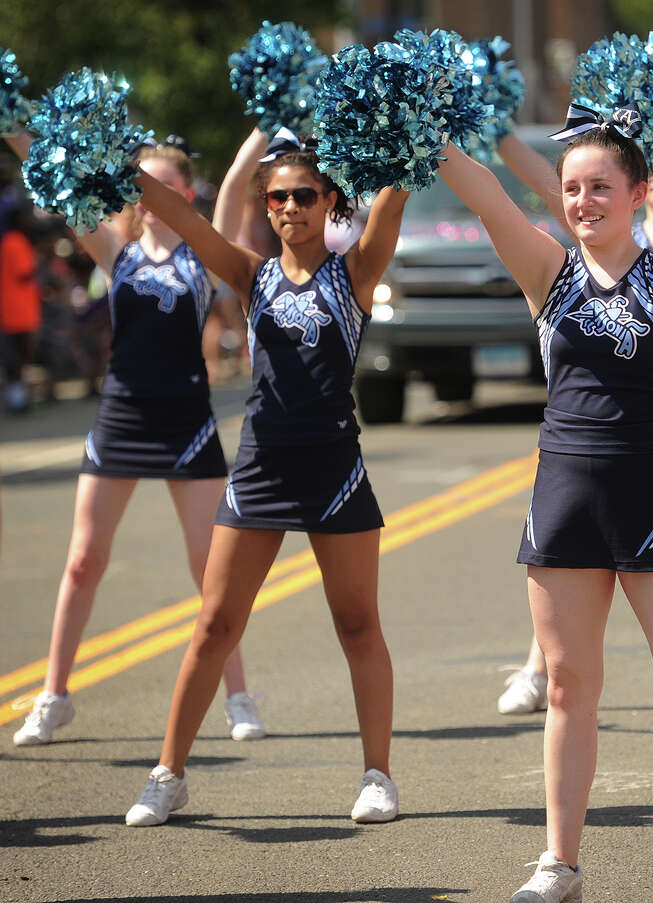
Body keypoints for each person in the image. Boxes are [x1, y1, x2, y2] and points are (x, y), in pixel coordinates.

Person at [437, 106, 653, 903]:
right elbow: (492, 198)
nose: (584, 200)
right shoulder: (548, 274)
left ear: (638, 194)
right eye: (571, 187)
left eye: (601, 186)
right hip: (564, 497)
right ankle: (559, 863)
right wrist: (426, 133)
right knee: (567, 685)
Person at [121, 130, 410, 827]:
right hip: (261, 467)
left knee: (356, 621)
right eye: (276, 196)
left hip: (336, 469)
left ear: (330, 200)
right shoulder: (254, 275)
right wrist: (123, 170)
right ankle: (169, 772)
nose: (288, 207)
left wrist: (414, 131)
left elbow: (394, 200)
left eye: (303, 195)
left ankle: (378, 776)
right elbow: (187, 218)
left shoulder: (355, 274)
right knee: (216, 621)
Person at [4, 134, 265, 747]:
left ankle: (239, 695)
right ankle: (54, 696)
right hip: (120, 418)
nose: (146, 194)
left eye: (162, 182)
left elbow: (230, 187)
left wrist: (257, 133)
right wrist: (17, 129)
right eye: (138, 183)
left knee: (211, 573)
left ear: (181, 191)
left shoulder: (203, 255)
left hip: (187, 425)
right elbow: (58, 178)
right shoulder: (115, 251)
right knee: (82, 561)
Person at [0, 203, 42, 413]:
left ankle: (18, 397)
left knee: (18, 357)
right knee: (18, 356)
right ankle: (17, 400)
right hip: (17, 309)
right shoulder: (15, 241)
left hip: (16, 307)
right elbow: (24, 271)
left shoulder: (10, 240)